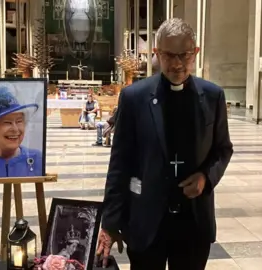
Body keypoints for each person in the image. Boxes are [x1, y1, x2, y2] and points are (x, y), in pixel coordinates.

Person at [96, 18, 233, 270]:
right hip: (146, 221)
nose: (178, 64)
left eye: (185, 55)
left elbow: (223, 150)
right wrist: (110, 222)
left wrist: (206, 177)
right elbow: (120, 164)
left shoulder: (213, 96)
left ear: (196, 53)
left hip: (193, 222)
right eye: (169, 55)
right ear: (156, 53)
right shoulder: (134, 97)